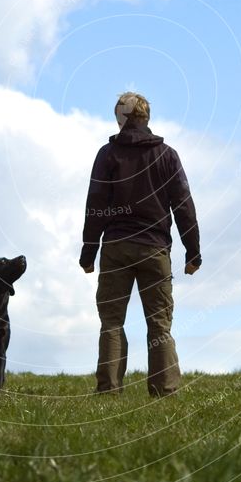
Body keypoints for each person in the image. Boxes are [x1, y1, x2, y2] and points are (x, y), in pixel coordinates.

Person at [80, 92, 201, 397]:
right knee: (159, 324)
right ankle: (164, 391)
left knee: (111, 321)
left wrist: (88, 252)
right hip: (154, 248)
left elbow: (95, 204)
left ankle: (108, 391)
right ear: (146, 119)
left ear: (121, 120)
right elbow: (183, 205)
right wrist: (193, 251)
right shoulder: (167, 155)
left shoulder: (107, 155)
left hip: (117, 246)